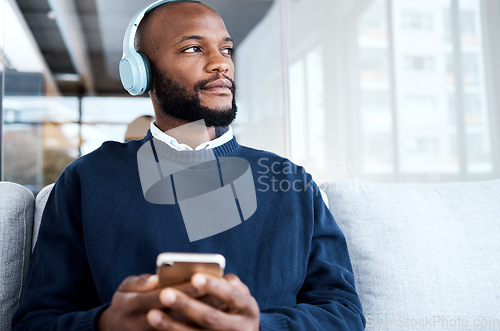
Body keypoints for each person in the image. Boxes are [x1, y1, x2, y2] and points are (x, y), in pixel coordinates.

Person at [12, 1, 365, 330]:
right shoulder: (87, 180)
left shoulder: (291, 182)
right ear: (143, 72)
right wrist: (105, 323)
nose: (221, 63)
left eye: (226, 49)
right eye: (194, 48)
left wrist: (259, 326)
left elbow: (344, 312)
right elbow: (36, 320)